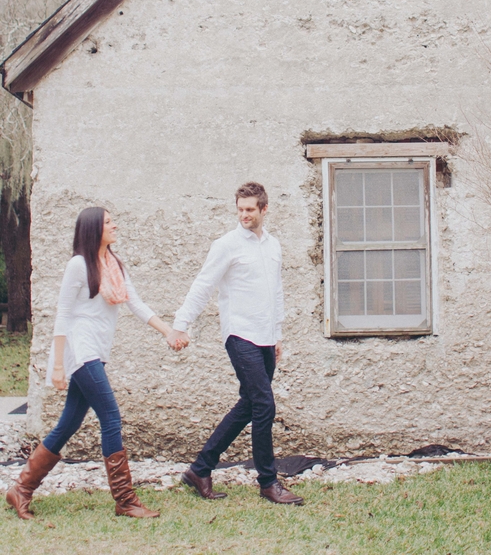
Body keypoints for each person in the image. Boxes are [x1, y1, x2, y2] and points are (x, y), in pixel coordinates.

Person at [6, 206, 176, 520]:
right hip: (80, 350)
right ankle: (125, 500)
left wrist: (169, 331)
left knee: (68, 423)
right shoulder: (78, 265)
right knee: (110, 416)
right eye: (109, 222)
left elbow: (135, 303)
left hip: (97, 350)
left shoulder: (114, 264)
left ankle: (21, 489)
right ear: (94, 228)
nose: (115, 225)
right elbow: (63, 314)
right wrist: (58, 364)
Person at [168, 181, 303, 505]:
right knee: (264, 405)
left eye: (250, 210)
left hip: (266, 336)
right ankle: (269, 483)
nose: (244, 215)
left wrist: (277, 333)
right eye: (240, 209)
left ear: (263, 209)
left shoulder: (273, 245)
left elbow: (276, 292)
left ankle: (200, 469)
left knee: (249, 405)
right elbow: (203, 285)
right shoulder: (226, 245)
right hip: (239, 334)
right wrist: (180, 324)